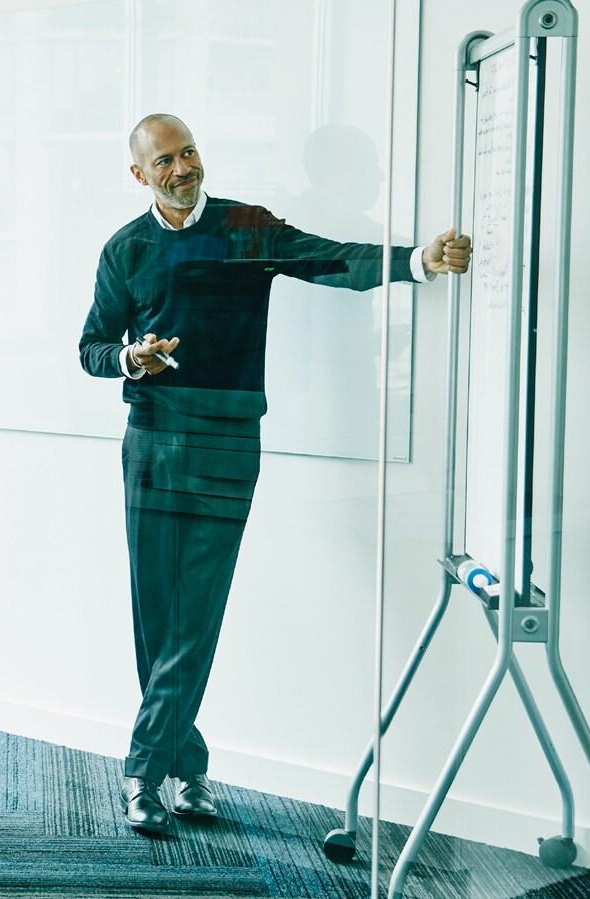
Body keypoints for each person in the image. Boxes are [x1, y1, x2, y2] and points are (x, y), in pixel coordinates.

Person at [76, 113, 470, 834]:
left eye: (188, 151)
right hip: (151, 439)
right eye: (163, 160)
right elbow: (92, 346)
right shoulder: (123, 249)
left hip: (227, 438)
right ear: (139, 174)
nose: (181, 166)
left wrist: (417, 259)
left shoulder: (244, 226)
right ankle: (186, 768)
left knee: (195, 611)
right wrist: (131, 358)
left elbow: (331, 258)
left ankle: (140, 770)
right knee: (156, 614)